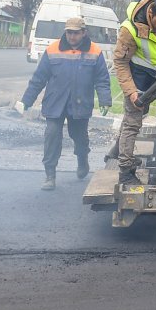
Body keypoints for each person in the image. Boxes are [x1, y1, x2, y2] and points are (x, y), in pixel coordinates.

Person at [18, 17, 112, 191]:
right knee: (52, 136)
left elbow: (102, 79)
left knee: (80, 138)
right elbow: (39, 78)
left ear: (84, 33)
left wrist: (105, 100)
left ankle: (82, 159)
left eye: (76, 33)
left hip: (80, 103)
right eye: (69, 32)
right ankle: (50, 175)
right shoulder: (53, 49)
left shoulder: (95, 52)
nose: (72, 36)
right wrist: (27, 100)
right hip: (55, 102)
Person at [111, 0, 156, 187]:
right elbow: (120, 63)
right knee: (133, 121)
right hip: (138, 75)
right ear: (150, 13)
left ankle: (117, 150)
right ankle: (125, 170)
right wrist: (132, 92)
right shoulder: (129, 29)